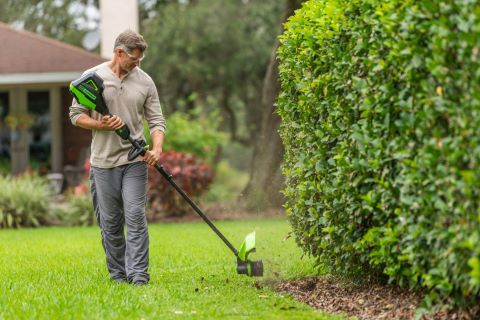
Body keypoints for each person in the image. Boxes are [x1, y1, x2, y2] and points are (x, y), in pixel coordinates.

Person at [69, 30, 166, 285]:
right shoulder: (92, 79)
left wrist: (156, 149)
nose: (138, 64)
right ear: (119, 52)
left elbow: (156, 121)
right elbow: (75, 114)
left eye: (140, 59)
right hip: (103, 163)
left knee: (135, 216)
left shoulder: (145, 82)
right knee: (110, 223)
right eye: (134, 59)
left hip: (135, 160)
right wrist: (101, 125)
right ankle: (118, 275)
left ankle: (138, 276)